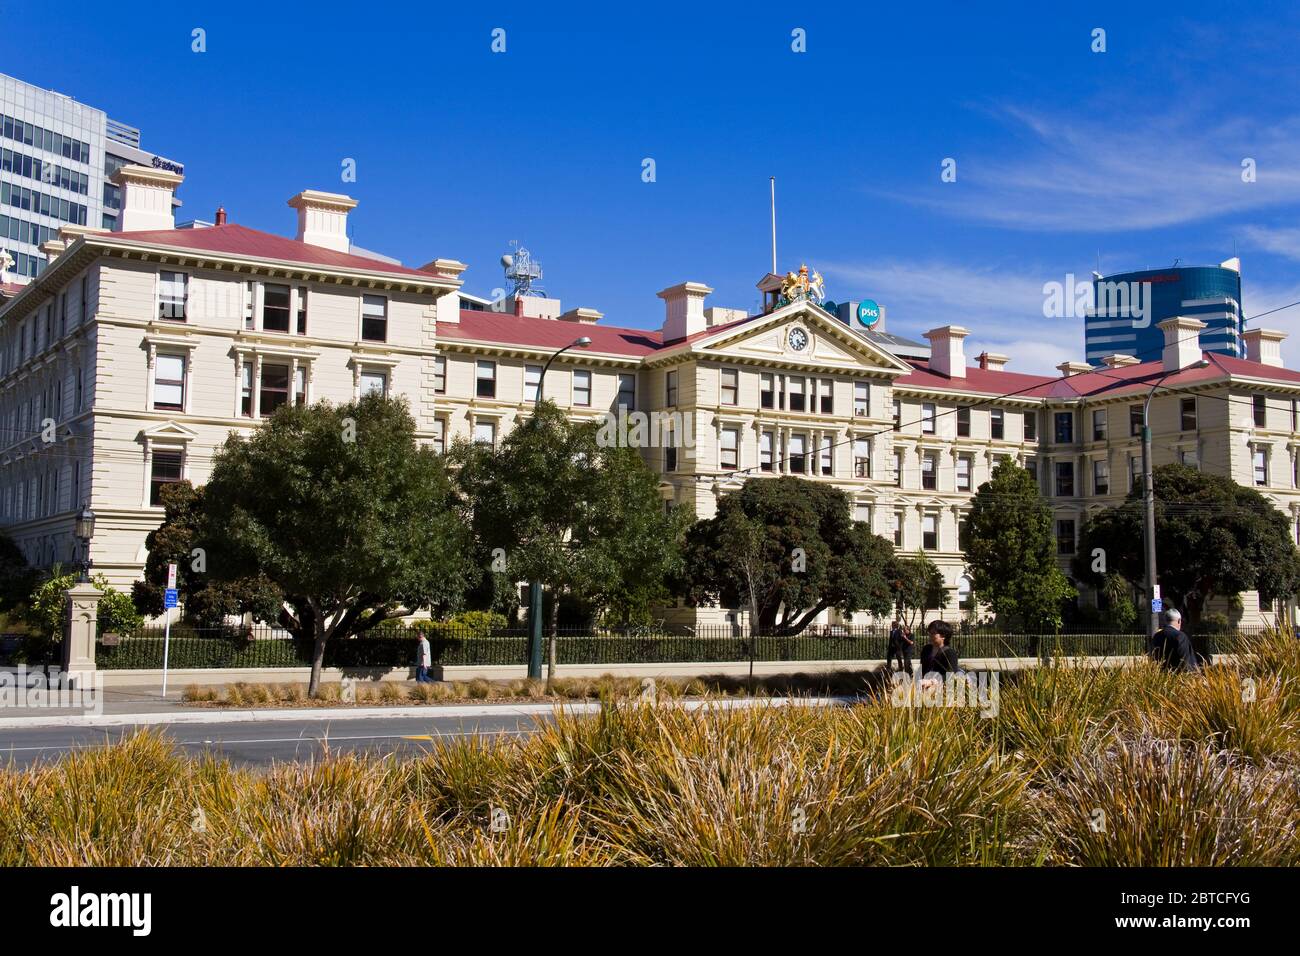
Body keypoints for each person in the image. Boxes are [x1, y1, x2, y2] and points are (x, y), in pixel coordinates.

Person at [1150, 608, 1198, 672]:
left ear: (1166, 621)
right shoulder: (1180, 636)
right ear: (1179, 621)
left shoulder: (1157, 636)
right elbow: (1185, 660)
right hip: (1178, 676)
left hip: (1161, 676)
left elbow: (1154, 656)